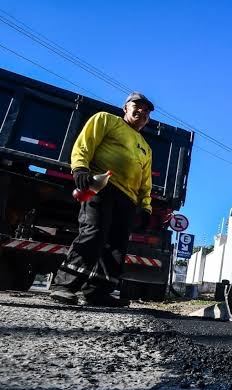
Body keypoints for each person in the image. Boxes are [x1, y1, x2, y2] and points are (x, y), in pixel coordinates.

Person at [49, 92, 154, 306]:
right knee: (94, 233)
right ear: (126, 107)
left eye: (147, 111)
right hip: (101, 187)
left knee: (117, 246)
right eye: (138, 106)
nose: (142, 112)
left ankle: (98, 292)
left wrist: (145, 208)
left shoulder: (146, 147)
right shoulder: (106, 119)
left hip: (128, 199)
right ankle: (64, 286)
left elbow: (146, 181)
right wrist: (79, 168)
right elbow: (84, 144)